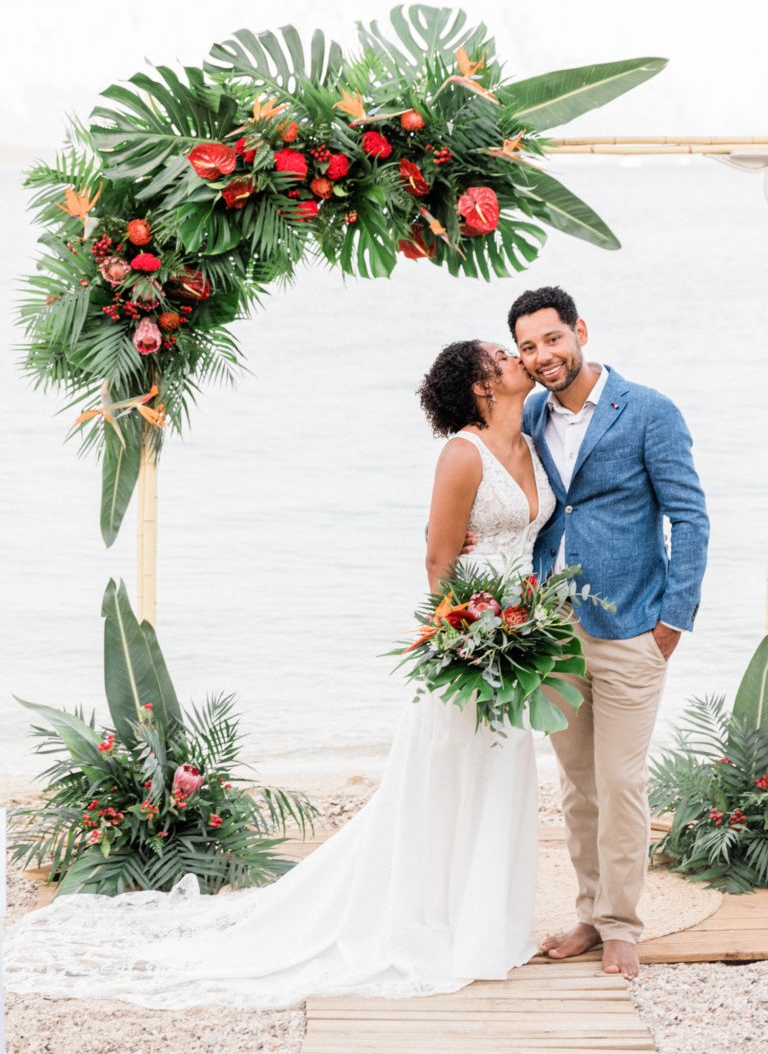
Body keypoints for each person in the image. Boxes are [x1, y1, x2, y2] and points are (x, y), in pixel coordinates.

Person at [6, 339, 555, 1010]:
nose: (518, 354)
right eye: (504, 352)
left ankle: (487, 925)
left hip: (522, 638)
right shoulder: (462, 453)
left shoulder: (530, 443)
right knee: (448, 773)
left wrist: (531, 624)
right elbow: (438, 560)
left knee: (503, 769)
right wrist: (462, 639)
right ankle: (431, 920)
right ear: (479, 384)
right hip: (469, 643)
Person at [507, 285, 709, 980]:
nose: (543, 356)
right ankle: (592, 912)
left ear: (579, 331)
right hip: (555, 631)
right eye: (529, 346)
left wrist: (672, 620)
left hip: (632, 628)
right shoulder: (531, 413)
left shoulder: (648, 410)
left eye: (552, 339)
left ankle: (624, 922)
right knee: (576, 784)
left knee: (621, 783)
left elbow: (691, 517)